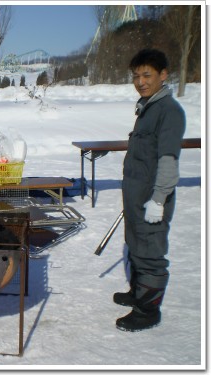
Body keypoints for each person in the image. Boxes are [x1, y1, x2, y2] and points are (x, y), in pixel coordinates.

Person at [115, 49, 185, 332]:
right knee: (135, 245)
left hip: (151, 199)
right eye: (136, 76)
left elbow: (168, 160)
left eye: (147, 75)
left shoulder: (169, 111)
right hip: (136, 197)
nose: (141, 81)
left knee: (150, 252)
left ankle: (148, 310)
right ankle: (137, 292)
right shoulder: (147, 107)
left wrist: (159, 199)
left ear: (163, 75)